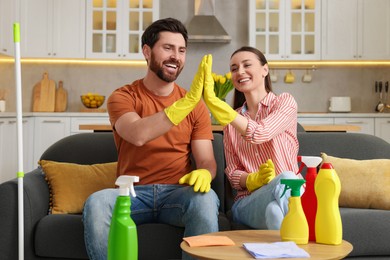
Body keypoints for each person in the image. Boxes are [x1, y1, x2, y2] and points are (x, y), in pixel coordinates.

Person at [82, 18, 219, 260]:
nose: (176, 56)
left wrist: (206, 173)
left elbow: (206, 159)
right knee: (97, 202)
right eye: (168, 48)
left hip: (178, 194)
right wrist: (183, 105)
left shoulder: (195, 106)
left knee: (207, 200)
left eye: (181, 50)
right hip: (131, 194)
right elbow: (137, 134)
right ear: (147, 52)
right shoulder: (123, 97)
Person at [202, 46, 303, 230]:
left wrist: (223, 110)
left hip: (289, 194)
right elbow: (232, 173)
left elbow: (260, 133)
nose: (239, 72)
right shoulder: (231, 123)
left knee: (276, 207)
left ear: (265, 69)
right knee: (286, 181)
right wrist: (251, 179)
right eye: (234, 68)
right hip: (249, 202)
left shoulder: (285, 102)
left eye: (246, 65)